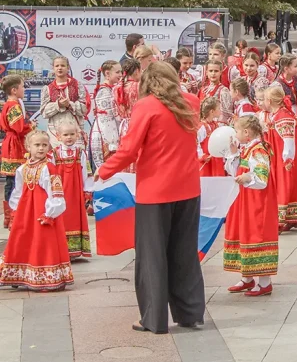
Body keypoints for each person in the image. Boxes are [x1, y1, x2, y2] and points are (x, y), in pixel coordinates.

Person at [97, 62, 205, 334]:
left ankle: (153, 318)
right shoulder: (191, 101)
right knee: (184, 252)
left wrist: (104, 170)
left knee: (152, 256)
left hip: (156, 190)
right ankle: (190, 313)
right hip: (189, 187)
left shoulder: (145, 105)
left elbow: (129, 150)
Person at [0, 131, 73, 291]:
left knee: (42, 242)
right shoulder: (23, 169)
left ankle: (44, 276)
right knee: (21, 239)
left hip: (42, 211)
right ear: (28, 147)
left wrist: (50, 213)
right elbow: (18, 191)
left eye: (44, 145)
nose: (41, 148)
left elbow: (55, 193)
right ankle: (19, 274)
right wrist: (15, 210)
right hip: (25, 213)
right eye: (37, 145)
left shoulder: (50, 169)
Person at [223, 115, 278, 297]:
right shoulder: (247, 149)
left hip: (257, 201)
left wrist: (248, 178)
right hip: (245, 199)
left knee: (257, 234)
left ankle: (264, 282)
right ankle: (247, 278)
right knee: (244, 233)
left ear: (246, 133)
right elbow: (235, 171)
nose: (235, 134)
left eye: (237, 130)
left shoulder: (258, 150)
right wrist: (232, 153)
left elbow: (262, 178)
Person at [259, 87, 297, 231]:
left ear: (269, 101)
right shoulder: (277, 115)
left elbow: (288, 141)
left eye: (264, 99)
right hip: (278, 155)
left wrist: (287, 159)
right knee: (286, 185)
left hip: (285, 158)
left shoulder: (283, 117)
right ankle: (291, 217)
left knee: (284, 185)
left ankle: (281, 219)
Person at [50, 123, 90, 259]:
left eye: (72, 134)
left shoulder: (81, 153)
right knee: (61, 218)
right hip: (60, 191)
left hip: (75, 192)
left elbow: (86, 172)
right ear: (58, 136)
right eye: (65, 135)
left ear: (77, 135)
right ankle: (62, 248)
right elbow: (51, 173)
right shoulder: (54, 154)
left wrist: (87, 190)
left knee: (74, 217)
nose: (69, 137)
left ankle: (75, 250)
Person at [1, 75, 33, 228]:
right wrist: (31, 126)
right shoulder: (14, 105)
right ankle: (13, 216)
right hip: (15, 146)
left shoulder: (8, 104)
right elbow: (19, 128)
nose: (24, 89)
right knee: (15, 181)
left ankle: (8, 217)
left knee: (11, 182)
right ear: (14, 90)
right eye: (22, 86)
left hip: (10, 144)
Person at [40, 57, 87, 147]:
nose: (59, 68)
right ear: (53, 68)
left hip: (75, 131)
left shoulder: (77, 85)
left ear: (68, 68)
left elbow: (84, 109)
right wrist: (58, 105)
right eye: (57, 66)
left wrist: (70, 104)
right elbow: (44, 113)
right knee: (57, 158)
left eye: (62, 65)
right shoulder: (48, 89)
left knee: (77, 157)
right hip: (55, 132)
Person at [90, 61, 123, 171]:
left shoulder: (110, 89)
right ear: (107, 74)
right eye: (117, 72)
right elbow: (108, 117)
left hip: (109, 128)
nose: (120, 75)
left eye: (121, 72)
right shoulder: (104, 91)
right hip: (106, 132)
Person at [196, 97, 225, 177]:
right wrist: (202, 156)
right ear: (212, 111)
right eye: (218, 108)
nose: (220, 110)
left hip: (216, 160)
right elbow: (195, 143)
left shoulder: (216, 125)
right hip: (207, 161)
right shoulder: (202, 127)